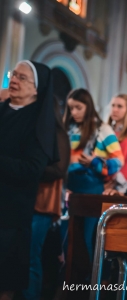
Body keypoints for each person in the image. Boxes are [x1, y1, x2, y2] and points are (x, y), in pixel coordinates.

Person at [0, 61, 58, 300]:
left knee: (5, 277)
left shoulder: (40, 123)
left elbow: (32, 169)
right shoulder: (2, 110)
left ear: (37, 89)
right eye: (14, 75)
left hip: (12, 211)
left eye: (22, 78)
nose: (14, 80)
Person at [64, 88, 123, 262]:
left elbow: (118, 161)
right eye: (71, 108)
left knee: (89, 239)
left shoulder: (101, 129)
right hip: (69, 187)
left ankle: (92, 283)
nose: (74, 112)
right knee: (67, 240)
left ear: (88, 107)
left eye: (78, 108)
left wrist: (95, 163)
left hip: (91, 188)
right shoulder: (68, 128)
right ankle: (68, 284)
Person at [22, 97, 70, 300]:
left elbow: (59, 169)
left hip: (42, 201)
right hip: (25, 198)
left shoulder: (57, 132)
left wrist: (27, 168)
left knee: (31, 257)